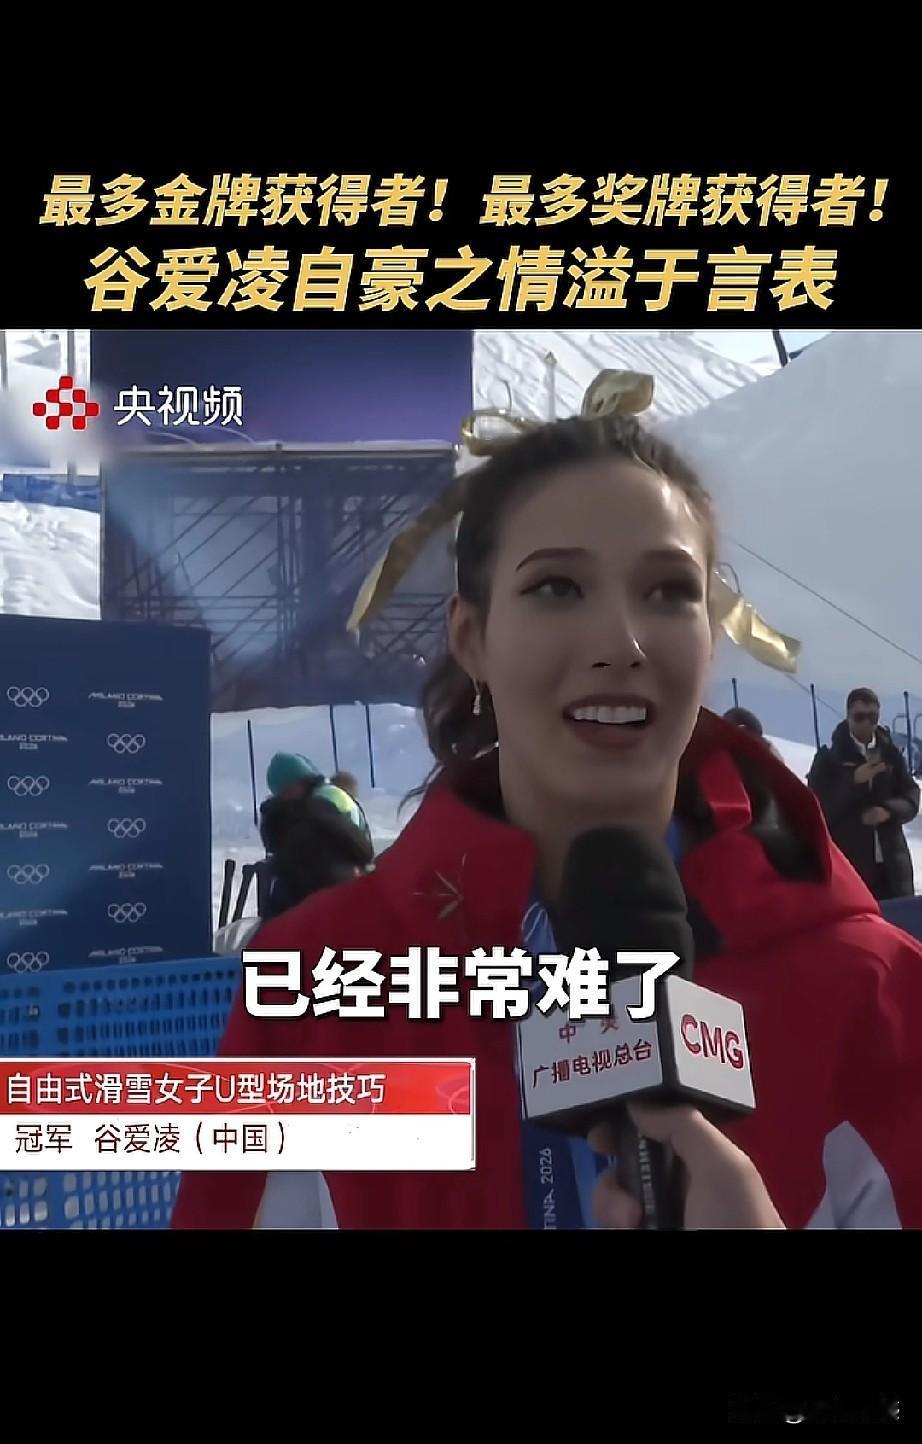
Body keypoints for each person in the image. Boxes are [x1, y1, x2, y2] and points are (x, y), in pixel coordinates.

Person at [172, 413, 922, 1230]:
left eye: (668, 592)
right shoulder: (318, 983)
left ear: (711, 638)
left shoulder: (875, 992)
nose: (621, 643)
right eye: (558, 588)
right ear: (471, 636)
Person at [807, 688, 919, 900]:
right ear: (848, 717)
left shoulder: (890, 754)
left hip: (893, 865)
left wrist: (888, 811)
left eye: (872, 717)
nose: (867, 723)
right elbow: (818, 808)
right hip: (852, 865)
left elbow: (911, 796)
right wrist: (853, 780)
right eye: (859, 717)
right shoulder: (830, 759)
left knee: (899, 918)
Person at [256, 752, 374, 922]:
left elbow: (356, 846)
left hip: (339, 885)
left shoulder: (325, 799)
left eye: (285, 791)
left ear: (297, 782)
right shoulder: (310, 802)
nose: (284, 797)